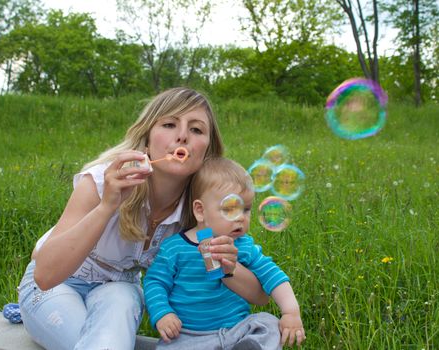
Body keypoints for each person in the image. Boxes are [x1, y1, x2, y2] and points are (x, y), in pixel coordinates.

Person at [17, 87, 269, 350]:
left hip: (120, 290)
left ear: (207, 151)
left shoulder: (200, 210)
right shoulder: (104, 180)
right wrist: (107, 206)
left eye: (196, 130)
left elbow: (259, 295)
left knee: (121, 303)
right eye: (170, 124)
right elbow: (46, 277)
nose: (182, 136)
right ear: (147, 138)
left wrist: (229, 267)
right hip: (55, 287)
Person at [144, 157, 305, 349]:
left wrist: (290, 312)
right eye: (230, 209)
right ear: (200, 211)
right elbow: (155, 282)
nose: (240, 218)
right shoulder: (174, 248)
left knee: (267, 323)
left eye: (246, 209)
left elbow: (272, 275)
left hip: (237, 332)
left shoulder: (244, 246)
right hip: (188, 336)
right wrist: (162, 313)